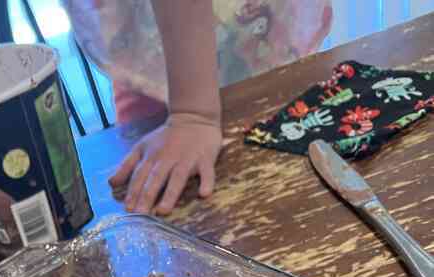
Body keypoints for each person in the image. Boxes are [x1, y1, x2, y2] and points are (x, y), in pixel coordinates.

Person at [66, 0, 332, 214]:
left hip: (257, 38)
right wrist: (190, 114)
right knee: (156, 188)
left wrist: (192, 113)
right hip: (157, 49)